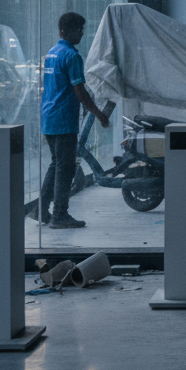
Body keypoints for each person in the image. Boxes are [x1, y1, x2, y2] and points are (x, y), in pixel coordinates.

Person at [38, 12, 110, 228]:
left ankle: (41, 210)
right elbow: (79, 91)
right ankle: (59, 215)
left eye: (81, 29)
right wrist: (99, 114)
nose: (81, 33)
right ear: (65, 31)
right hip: (63, 120)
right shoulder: (72, 56)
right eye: (77, 29)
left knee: (56, 164)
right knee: (66, 168)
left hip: (49, 118)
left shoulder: (52, 53)